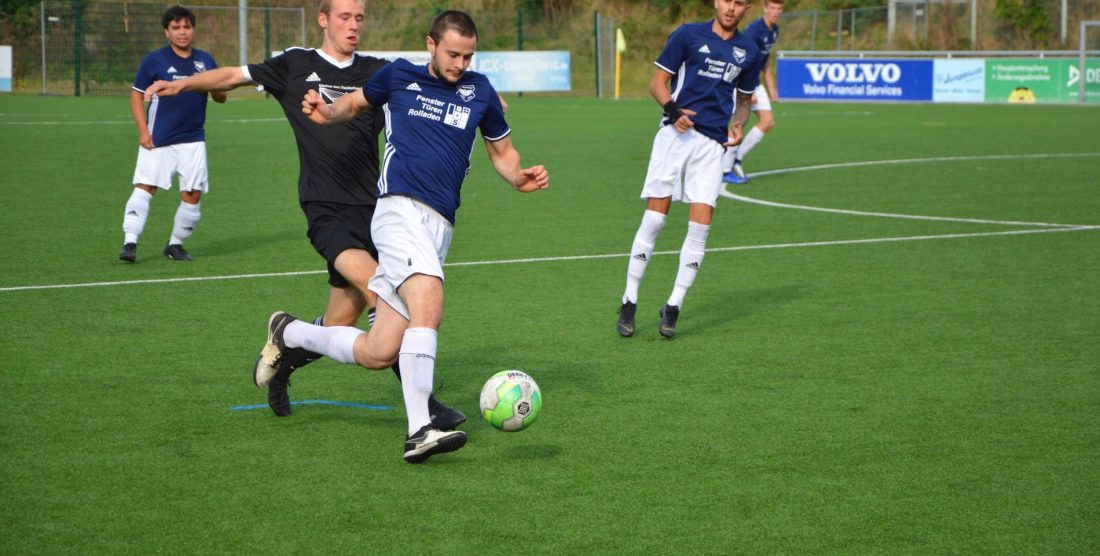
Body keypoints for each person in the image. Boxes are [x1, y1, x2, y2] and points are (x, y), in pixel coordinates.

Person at [143, 0, 465, 428]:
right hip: (326, 209)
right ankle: (425, 409)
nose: (354, 26)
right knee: (384, 296)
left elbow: (433, 82)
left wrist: (477, 90)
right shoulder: (295, 65)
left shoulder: (376, 71)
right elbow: (234, 76)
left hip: (379, 212)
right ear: (324, 19)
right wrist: (182, 85)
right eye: (345, 17)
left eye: (359, 18)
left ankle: (286, 350)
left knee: (337, 323)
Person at [255, 10, 548, 463]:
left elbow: (503, 151)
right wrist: (326, 111)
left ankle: (291, 332)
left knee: (379, 349)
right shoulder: (398, 77)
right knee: (428, 305)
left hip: (439, 227)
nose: (459, 64)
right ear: (430, 44)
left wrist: (518, 177)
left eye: (468, 56)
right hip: (398, 212)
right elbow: (351, 105)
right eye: (452, 54)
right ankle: (419, 430)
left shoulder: (480, 90)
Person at [615, 0, 759, 339]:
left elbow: (744, 100)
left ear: (746, 7)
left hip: (712, 146)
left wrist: (738, 124)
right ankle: (629, 300)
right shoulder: (688, 35)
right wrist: (674, 110)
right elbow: (657, 84)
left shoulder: (749, 50)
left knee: (700, 228)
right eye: (727, 0)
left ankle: (673, 307)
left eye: (739, 3)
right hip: (674, 137)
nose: (731, 8)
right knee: (655, 219)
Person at [120, 5, 226, 263]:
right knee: (145, 187)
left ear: (193, 29)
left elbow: (221, 97)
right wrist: (143, 131)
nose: (182, 32)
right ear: (166, 32)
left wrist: (214, 84)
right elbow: (136, 96)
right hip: (159, 139)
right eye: (176, 27)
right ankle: (130, 243)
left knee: (192, 194)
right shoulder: (154, 60)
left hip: (193, 140)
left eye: (186, 27)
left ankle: (175, 245)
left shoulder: (205, 61)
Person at [723, 0, 783, 185]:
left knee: (768, 122)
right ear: (765, 9)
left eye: (779, 9)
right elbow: (741, 58)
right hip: (743, 82)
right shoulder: (754, 30)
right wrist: (745, 90)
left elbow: (765, 60)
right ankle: (725, 170)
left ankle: (737, 158)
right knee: (737, 125)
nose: (775, 12)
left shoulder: (774, 30)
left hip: (756, 82)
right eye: (772, 8)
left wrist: (771, 87)